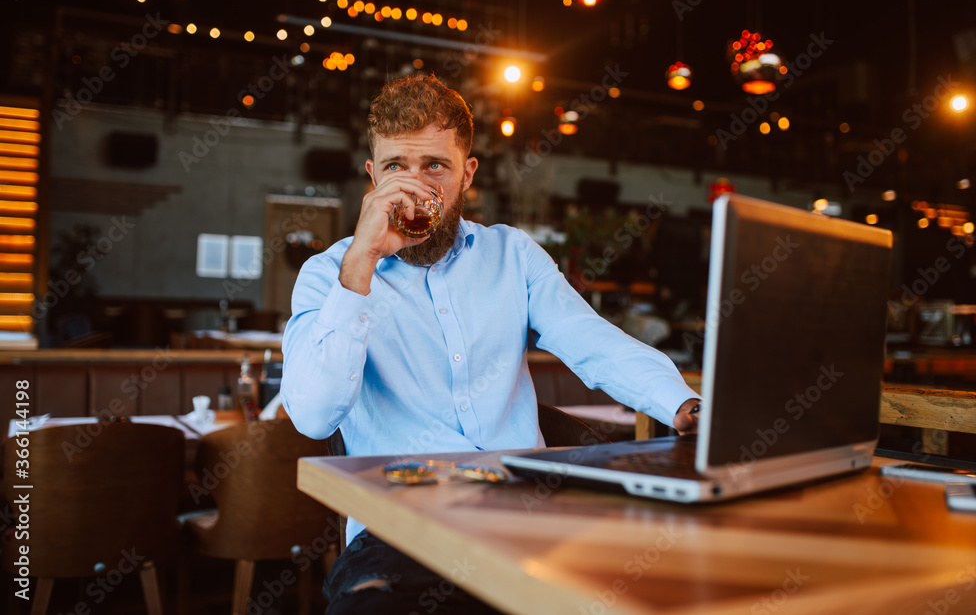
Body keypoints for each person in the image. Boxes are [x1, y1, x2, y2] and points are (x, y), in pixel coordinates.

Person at [280, 74, 701, 614]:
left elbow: (592, 340)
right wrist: (361, 260)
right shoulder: (329, 274)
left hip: (528, 513)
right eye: (396, 167)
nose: (414, 186)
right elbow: (314, 418)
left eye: (436, 165)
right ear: (373, 176)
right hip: (402, 528)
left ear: (468, 174)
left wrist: (682, 403)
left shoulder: (513, 255)